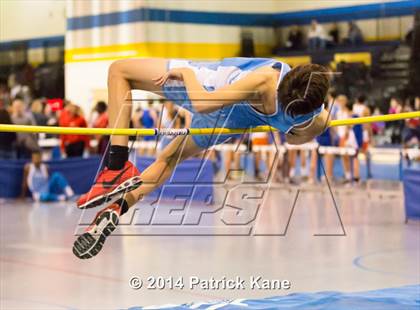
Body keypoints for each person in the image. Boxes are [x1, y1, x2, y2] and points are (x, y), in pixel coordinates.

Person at [72, 57, 331, 259]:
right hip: (230, 123)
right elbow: (293, 137)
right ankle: (117, 208)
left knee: (119, 71)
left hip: (208, 91)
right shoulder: (316, 116)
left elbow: (203, 103)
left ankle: (116, 165)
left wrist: (186, 73)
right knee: (169, 159)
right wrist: (279, 122)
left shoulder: (266, 80)